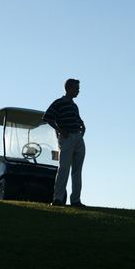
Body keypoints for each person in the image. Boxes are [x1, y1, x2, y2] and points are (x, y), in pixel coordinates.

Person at [43, 78, 86, 207]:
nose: (78, 91)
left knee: (77, 170)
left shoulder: (74, 105)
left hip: (77, 137)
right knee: (64, 168)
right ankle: (58, 199)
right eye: (76, 88)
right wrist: (60, 130)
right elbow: (48, 117)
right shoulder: (58, 103)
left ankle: (76, 200)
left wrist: (83, 126)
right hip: (67, 137)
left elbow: (78, 120)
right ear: (68, 88)